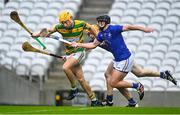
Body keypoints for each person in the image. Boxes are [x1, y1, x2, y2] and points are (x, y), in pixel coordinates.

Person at [71, 15, 177, 107]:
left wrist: (144, 29)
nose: (89, 34)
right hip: (118, 58)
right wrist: (76, 48)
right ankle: (163, 74)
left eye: (90, 32)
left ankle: (136, 87)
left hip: (124, 58)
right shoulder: (99, 36)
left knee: (114, 82)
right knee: (136, 73)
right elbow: (92, 45)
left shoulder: (112, 29)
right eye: (88, 33)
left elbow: (129, 27)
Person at [32, 10, 101, 106]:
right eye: (63, 22)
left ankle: (74, 88)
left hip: (79, 51)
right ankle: (94, 100)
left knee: (65, 67)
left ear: (71, 18)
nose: (65, 24)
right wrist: (37, 34)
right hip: (69, 53)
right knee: (81, 79)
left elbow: (91, 28)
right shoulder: (59, 27)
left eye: (66, 21)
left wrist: (98, 37)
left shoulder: (80, 24)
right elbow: (48, 31)